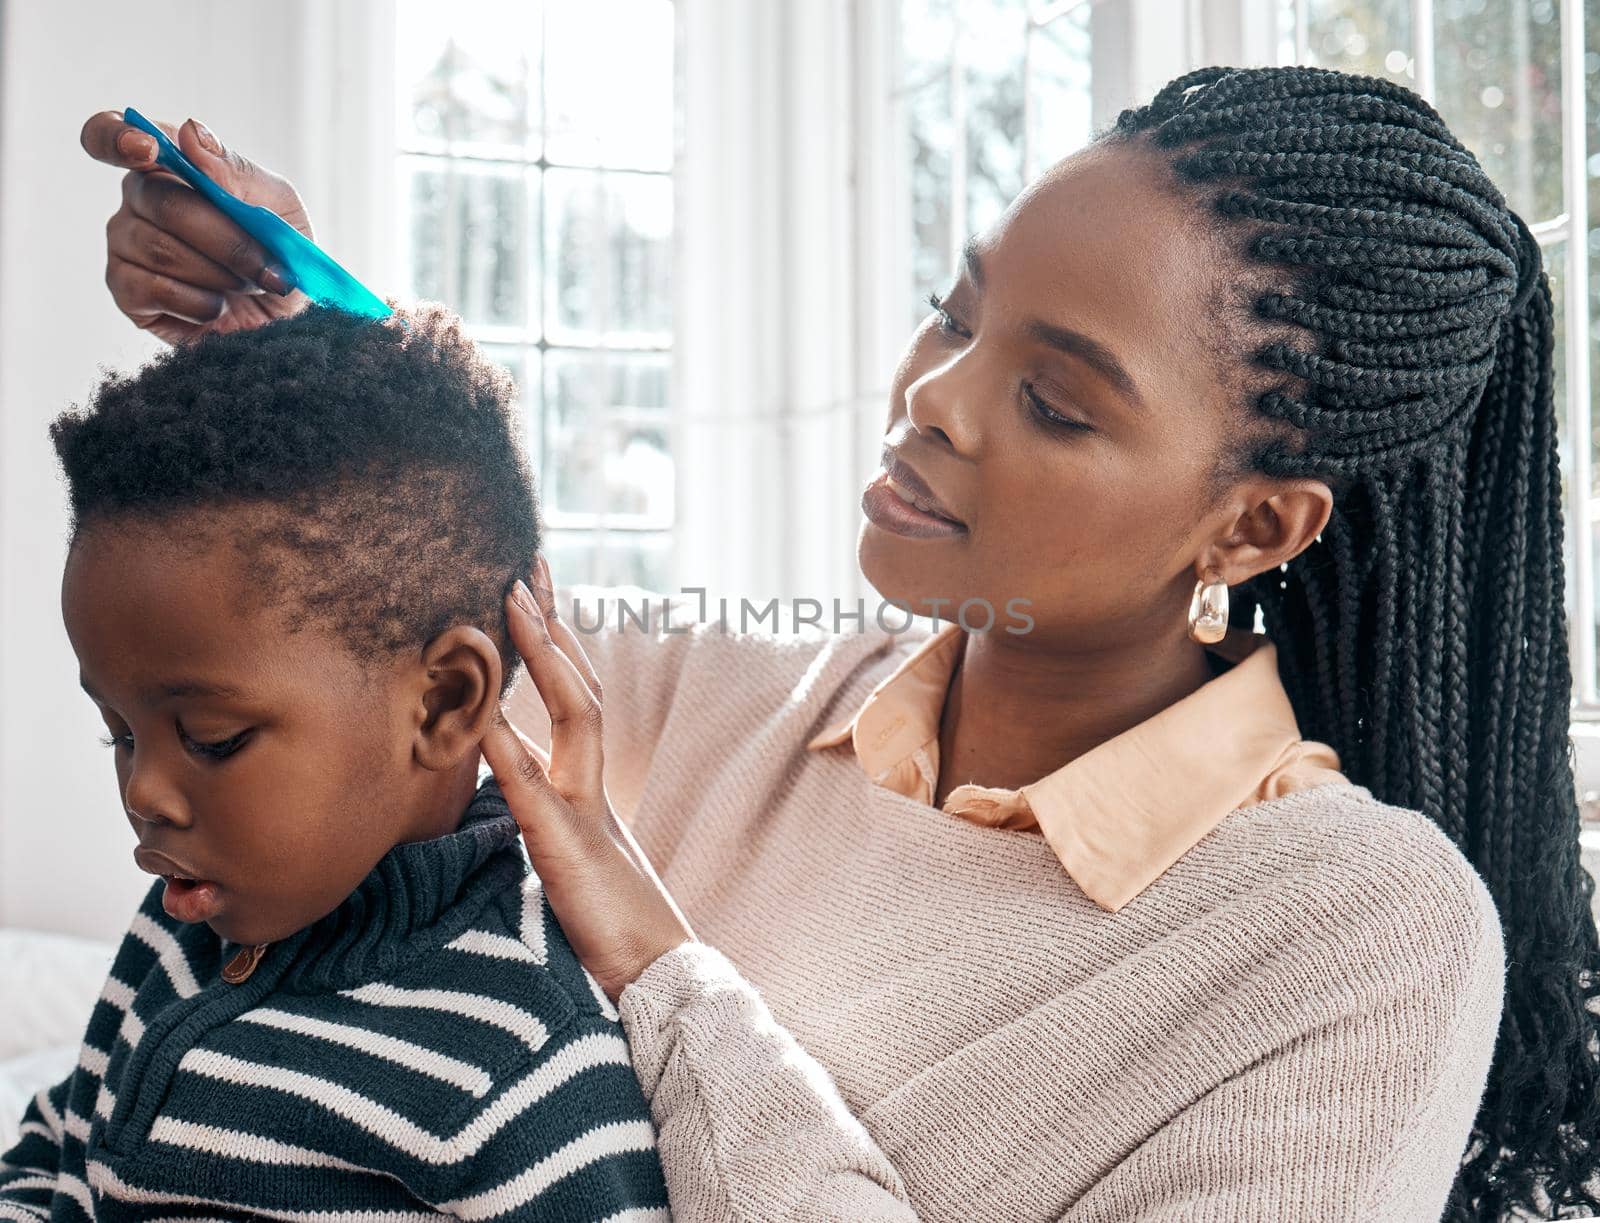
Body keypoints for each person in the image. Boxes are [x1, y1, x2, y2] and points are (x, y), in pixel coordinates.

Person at [79, 63, 1600, 1221]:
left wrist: (659, 960)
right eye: (955, 315)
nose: (933, 394)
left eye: (1056, 401)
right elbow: (433, 602)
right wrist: (293, 317)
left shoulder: (1360, 937)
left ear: (1255, 527)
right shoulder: (718, 697)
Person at [0, 304, 672, 1219]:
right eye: (118, 731)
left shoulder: (518, 1065)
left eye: (212, 739)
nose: (145, 791)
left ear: (441, 703)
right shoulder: (180, 930)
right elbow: (63, 1144)